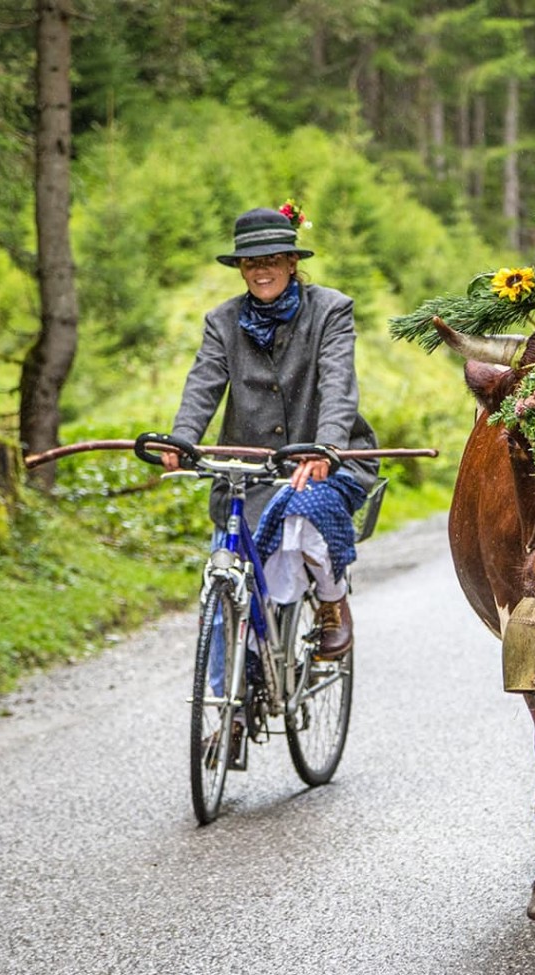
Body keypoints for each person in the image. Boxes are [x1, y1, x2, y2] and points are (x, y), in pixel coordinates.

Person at [165, 205, 379, 658]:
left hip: (326, 460)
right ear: (240, 268)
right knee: (227, 589)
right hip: (251, 467)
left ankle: (331, 599)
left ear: (291, 262)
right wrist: (181, 437)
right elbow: (203, 382)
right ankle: (232, 717)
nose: (261, 270)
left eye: (271, 259)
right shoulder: (221, 322)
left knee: (307, 510)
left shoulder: (330, 310)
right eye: (250, 262)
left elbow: (337, 382)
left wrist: (326, 446)